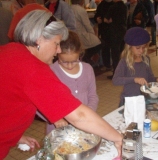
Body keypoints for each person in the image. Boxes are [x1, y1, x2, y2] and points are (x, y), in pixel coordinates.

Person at [0, 10, 122, 159]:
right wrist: (118, 137)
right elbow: (79, 115)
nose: (58, 50)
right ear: (39, 39)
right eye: (56, 44)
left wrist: (14, 136)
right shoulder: (32, 68)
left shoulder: (10, 50)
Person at [37, 30, 99, 134]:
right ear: (57, 52)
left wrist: (88, 113)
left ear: (80, 53)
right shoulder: (50, 72)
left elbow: (93, 95)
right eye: (64, 62)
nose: (70, 66)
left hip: (83, 127)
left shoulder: (88, 69)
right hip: (58, 130)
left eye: (74, 61)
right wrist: (55, 118)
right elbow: (38, 104)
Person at [112, 27, 158, 106]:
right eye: (138, 48)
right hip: (129, 101)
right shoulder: (124, 62)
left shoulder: (146, 59)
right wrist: (134, 79)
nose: (141, 51)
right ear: (129, 47)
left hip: (143, 99)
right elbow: (115, 80)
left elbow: (149, 78)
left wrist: (156, 79)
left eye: (143, 47)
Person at [71, 0, 102, 66]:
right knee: (99, 43)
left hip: (73, 35)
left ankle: (86, 59)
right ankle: (86, 59)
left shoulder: (69, 9)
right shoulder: (80, 10)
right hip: (82, 35)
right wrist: (93, 34)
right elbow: (87, 25)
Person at [104, 0, 127, 79]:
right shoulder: (124, 6)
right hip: (123, 31)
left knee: (115, 54)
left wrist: (110, 21)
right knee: (122, 52)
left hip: (115, 32)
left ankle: (116, 74)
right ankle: (123, 72)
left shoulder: (112, 7)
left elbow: (106, 19)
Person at [94, 0, 114, 71]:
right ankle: (107, 64)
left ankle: (115, 65)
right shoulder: (101, 5)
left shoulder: (114, 4)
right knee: (105, 48)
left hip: (113, 30)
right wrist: (97, 19)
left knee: (114, 49)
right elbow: (96, 15)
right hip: (104, 30)